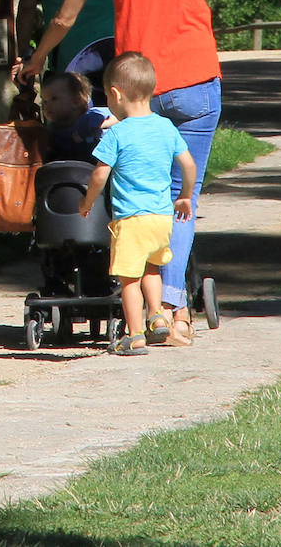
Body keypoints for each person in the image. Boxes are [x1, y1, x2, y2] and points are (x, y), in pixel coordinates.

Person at [19, 0, 220, 347]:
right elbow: (194, 3)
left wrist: (33, 61)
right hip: (198, 81)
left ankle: (137, 300)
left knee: (133, 197)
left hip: (135, 92)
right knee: (181, 199)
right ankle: (175, 315)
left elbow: (64, 17)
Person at [78, 53, 196, 355]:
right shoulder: (167, 127)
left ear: (115, 94)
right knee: (152, 269)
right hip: (161, 218)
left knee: (129, 279)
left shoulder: (117, 133)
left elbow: (100, 174)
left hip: (131, 219)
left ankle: (135, 335)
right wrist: (184, 195)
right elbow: (188, 163)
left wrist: (87, 201)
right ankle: (157, 315)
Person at [40, 71, 114, 163]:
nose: (47, 106)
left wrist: (100, 125)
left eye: (54, 99)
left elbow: (119, 117)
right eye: (45, 101)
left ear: (77, 101)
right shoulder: (52, 131)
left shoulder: (91, 118)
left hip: (92, 170)